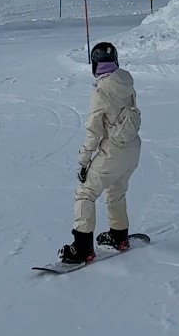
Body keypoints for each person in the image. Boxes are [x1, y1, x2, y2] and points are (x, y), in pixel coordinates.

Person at [58, 41, 142, 265]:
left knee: (85, 193)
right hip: (132, 149)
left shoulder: (101, 91)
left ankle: (82, 248)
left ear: (95, 65)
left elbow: (93, 132)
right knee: (116, 191)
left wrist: (83, 160)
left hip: (113, 151)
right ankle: (118, 235)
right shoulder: (126, 82)